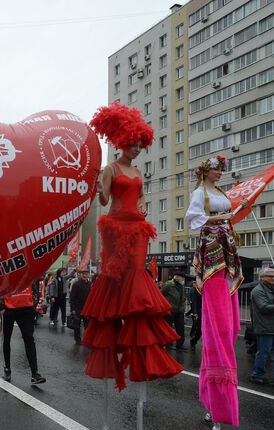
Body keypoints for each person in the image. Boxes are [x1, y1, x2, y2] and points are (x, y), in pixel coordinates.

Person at [82, 102, 183, 391]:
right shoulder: (111, 168)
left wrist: (142, 208)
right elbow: (103, 202)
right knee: (116, 276)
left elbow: (141, 200)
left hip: (137, 228)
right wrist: (98, 189)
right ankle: (114, 323)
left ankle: (136, 335)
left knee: (138, 272)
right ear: (123, 143)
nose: (137, 149)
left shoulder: (138, 172)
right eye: (133, 144)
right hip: (115, 227)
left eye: (140, 145)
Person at [185, 154, 246, 430]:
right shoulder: (200, 193)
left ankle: (216, 401)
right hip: (211, 249)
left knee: (230, 328)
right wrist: (221, 217)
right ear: (206, 171)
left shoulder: (220, 191)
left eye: (222, 170)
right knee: (218, 330)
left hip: (226, 246)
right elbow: (193, 220)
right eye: (216, 169)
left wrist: (231, 214)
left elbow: (228, 216)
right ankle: (216, 404)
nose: (220, 173)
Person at [0, 286, 46, 385]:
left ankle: (35, 374)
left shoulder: (27, 271)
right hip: (9, 309)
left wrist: (33, 306)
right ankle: (7, 368)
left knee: (29, 339)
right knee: (6, 339)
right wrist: (2, 306)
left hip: (26, 308)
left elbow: (34, 285)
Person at [161, 271, 187, 351]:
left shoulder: (181, 286)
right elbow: (161, 294)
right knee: (168, 327)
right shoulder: (168, 285)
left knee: (180, 328)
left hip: (180, 310)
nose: (183, 279)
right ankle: (168, 344)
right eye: (182, 277)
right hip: (170, 310)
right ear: (176, 277)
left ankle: (180, 344)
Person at [69, 269, 92, 343]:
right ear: (81, 275)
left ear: (88, 275)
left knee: (87, 325)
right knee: (77, 325)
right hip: (77, 308)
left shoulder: (90, 284)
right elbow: (72, 297)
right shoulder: (76, 284)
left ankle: (87, 339)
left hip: (87, 308)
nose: (85, 275)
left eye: (86, 274)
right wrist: (72, 309)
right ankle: (77, 339)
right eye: (84, 274)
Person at [187, 284, 202, 351]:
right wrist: (195, 313)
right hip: (199, 312)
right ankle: (194, 340)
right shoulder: (196, 289)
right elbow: (194, 302)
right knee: (199, 330)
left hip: (208, 312)